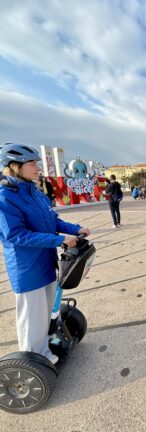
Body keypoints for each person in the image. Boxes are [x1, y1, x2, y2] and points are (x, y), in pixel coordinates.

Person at [0, 142, 90, 365]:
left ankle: (50, 345)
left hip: (47, 261)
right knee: (33, 316)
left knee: (51, 308)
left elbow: (52, 220)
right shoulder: (5, 197)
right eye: (32, 164)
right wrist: (60, 239)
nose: (38, 168)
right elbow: (16, 235)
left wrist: (74, 229)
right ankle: (33, 360)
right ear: (15, 166)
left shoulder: (34, 192)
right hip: (27, 266)